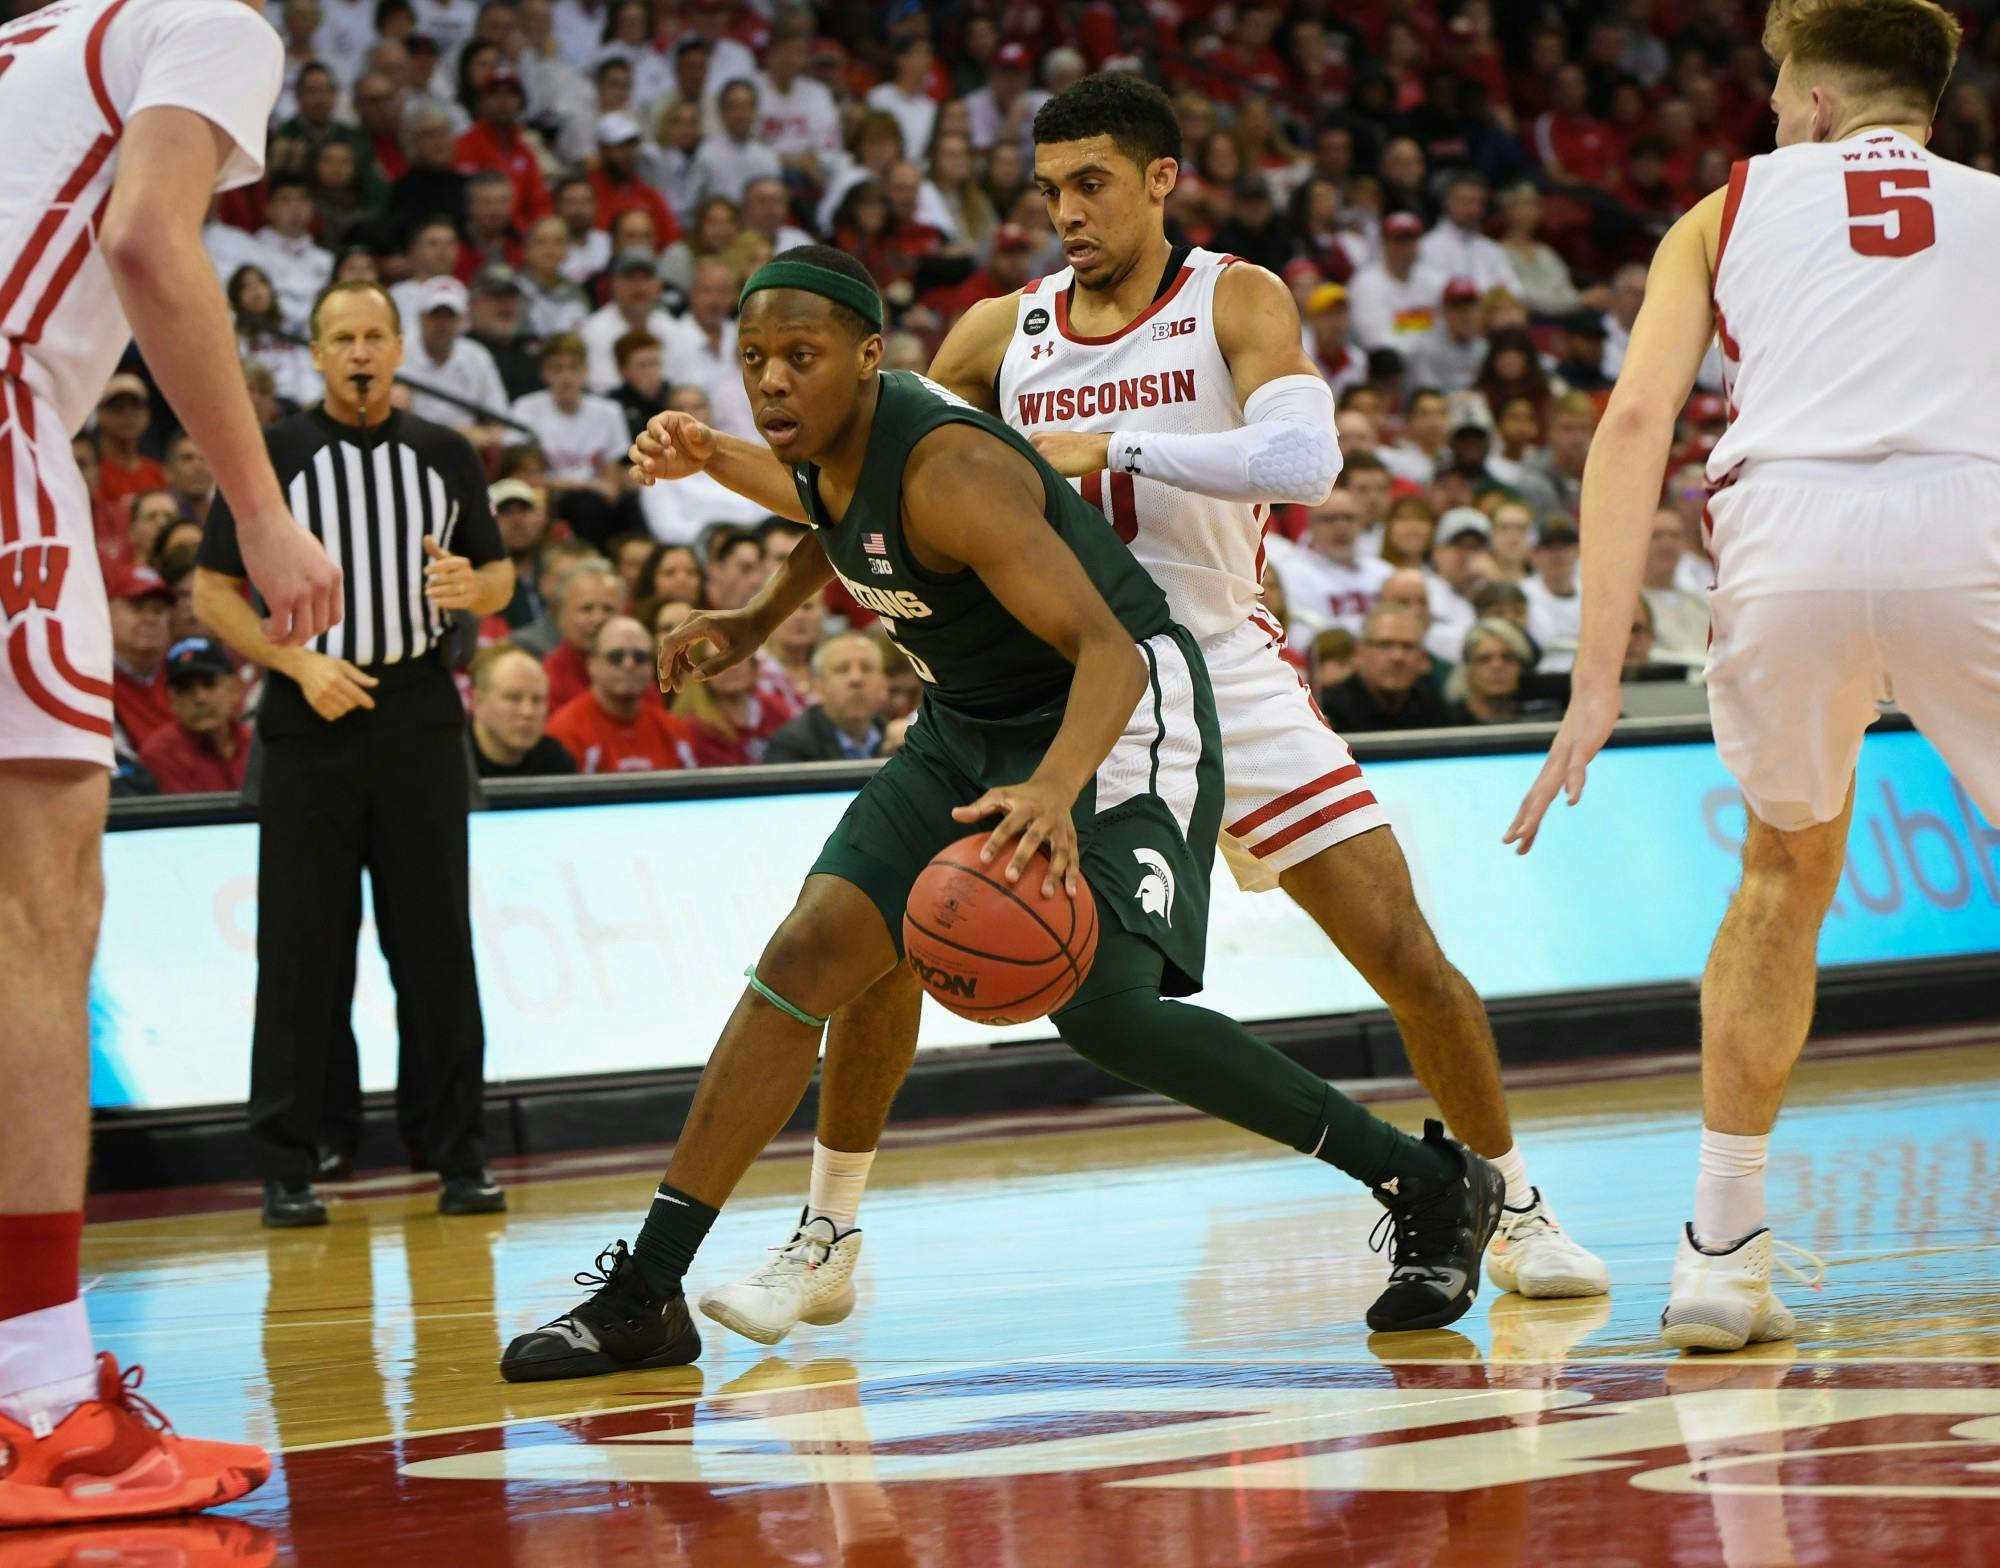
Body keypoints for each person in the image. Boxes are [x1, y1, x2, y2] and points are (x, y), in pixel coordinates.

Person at [653, 83, 1608, 1350]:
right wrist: (757, 608)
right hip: (1043, 682)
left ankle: (1514, 1204)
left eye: (1091, 182)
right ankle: (826, 1232)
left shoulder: (1237, 299)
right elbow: (856, 489)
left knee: (1400, 950)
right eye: (1047, 188)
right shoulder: (1001, 330)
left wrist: (1111, 449)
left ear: (1160, 178)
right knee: (883, 940)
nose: (1064, 212)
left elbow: (1302, 466)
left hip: (1219, 663)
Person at [502, 247, 1504, 1385]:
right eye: (753, 362)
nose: (772, 383)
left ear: (870, 358)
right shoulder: (831, 440)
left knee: (1103, 1011)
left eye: (799, 358)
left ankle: (1420, 1177)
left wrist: (1049, 788)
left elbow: (1110, 654)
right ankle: (649, 1288)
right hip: (965, 722)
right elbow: (827, 509)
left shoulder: (949, 468)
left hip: (1118, 713)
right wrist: (747, 615)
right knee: (804, 955)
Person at [1507, 0, 1996, 1352]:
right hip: (1973, 519)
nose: (1773, 118)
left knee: (1785, 871)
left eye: (1782, 95)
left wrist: (1595, 679)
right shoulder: (1994, 209)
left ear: (1822, 107)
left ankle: (1721, 1251)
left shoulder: (1724, 208)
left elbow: (1637, 425)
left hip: (1787, 535)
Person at [0, 0, 341, 1527]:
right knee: (32, 923)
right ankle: (41, 1404)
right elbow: (149, 239)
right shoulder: (208, 20)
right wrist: (260, 514)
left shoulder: (27, 46)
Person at [192, 279, 515, 1230]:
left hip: (417, 711)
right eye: (345, 338)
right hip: (308, 713)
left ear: (401, 348)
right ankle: (293, 1158)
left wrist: (473, 587)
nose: (363, 351)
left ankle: (455, 1153)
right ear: (318, 353)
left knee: (435, 944)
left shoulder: (447, 453)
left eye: (377, 335)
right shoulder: (273, 455)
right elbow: (212, 591)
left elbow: (496, 573)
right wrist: (293, 663)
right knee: (302, 949)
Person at [546, 613, 696, 772]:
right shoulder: (564, 732)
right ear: (592, 664)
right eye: (616, 657)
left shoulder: (674, 731)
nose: (629, 664)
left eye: (640, 657)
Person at [1266, 489, 1392, 646]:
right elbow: (1300, 635)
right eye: (1330, 519)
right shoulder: (1289, 574)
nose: (1341, 527)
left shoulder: (1384, 573)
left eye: (1349, 518)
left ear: (1361, 522)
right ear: (1310, 524)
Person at [137, 636, 250, 793]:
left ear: (234, 687)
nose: (199, 698)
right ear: (172, 699)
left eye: (209, 683)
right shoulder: (161, 753)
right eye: (185, 688)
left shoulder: (258, 744)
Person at [1319, 604, 1455, 732]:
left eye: (1408, 646)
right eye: (1385, 645)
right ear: (1358, 654)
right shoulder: (1326, 711)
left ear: (1423, 658)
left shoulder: (1436, 710)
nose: (1398, 657)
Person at [761, 632, 890, 763]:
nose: (856, 679)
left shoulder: (898, 740)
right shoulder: (791, 744)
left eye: (867, 668)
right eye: (842, 669)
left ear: (884, 683)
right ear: (819, 685)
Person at [402, 276, 510, 428]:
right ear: (420, 318)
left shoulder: (477, 356)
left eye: (450, 316)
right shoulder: (397, 352)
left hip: (464, 443)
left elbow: (499, 419)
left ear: (463, 320)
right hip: (410, 438)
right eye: (435, 315)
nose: (442, 324)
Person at [468, 642, 576, 777]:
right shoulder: (446, 757)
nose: (527, 712)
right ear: (477, 702)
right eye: (513, 698)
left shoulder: (555, 760)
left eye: (537, 700)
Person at [106, 563, 178, 759]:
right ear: (107, 612)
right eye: (137, 608)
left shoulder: (185, 671)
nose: (150, 619)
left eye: (158, 610)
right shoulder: (93, 681)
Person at [541, 559, 624, 711]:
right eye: (586, 609)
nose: (598, 619)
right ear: (559, 614)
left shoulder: (637, 669)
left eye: (608, 609)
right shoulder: (547, 680)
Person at [93, 374, 169, 504]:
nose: (128, 414)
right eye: (117, 406)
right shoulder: (93, 473)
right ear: (99, 414)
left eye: (135, 405)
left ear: (147, 413)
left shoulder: (158, 473)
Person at [1446, 617, 1535, 724]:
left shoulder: (1537, 719)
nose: (1497, 666)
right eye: (1484, 659)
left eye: (1507, 657)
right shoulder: (1444, 721)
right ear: (1468, 670)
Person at [1522, 519, 1582, 671]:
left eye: (1565, 546)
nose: (1558, 554)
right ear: (1533, 554)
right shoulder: (1521, 594)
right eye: (1548, 547)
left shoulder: (1593, 594)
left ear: (1578, 550)